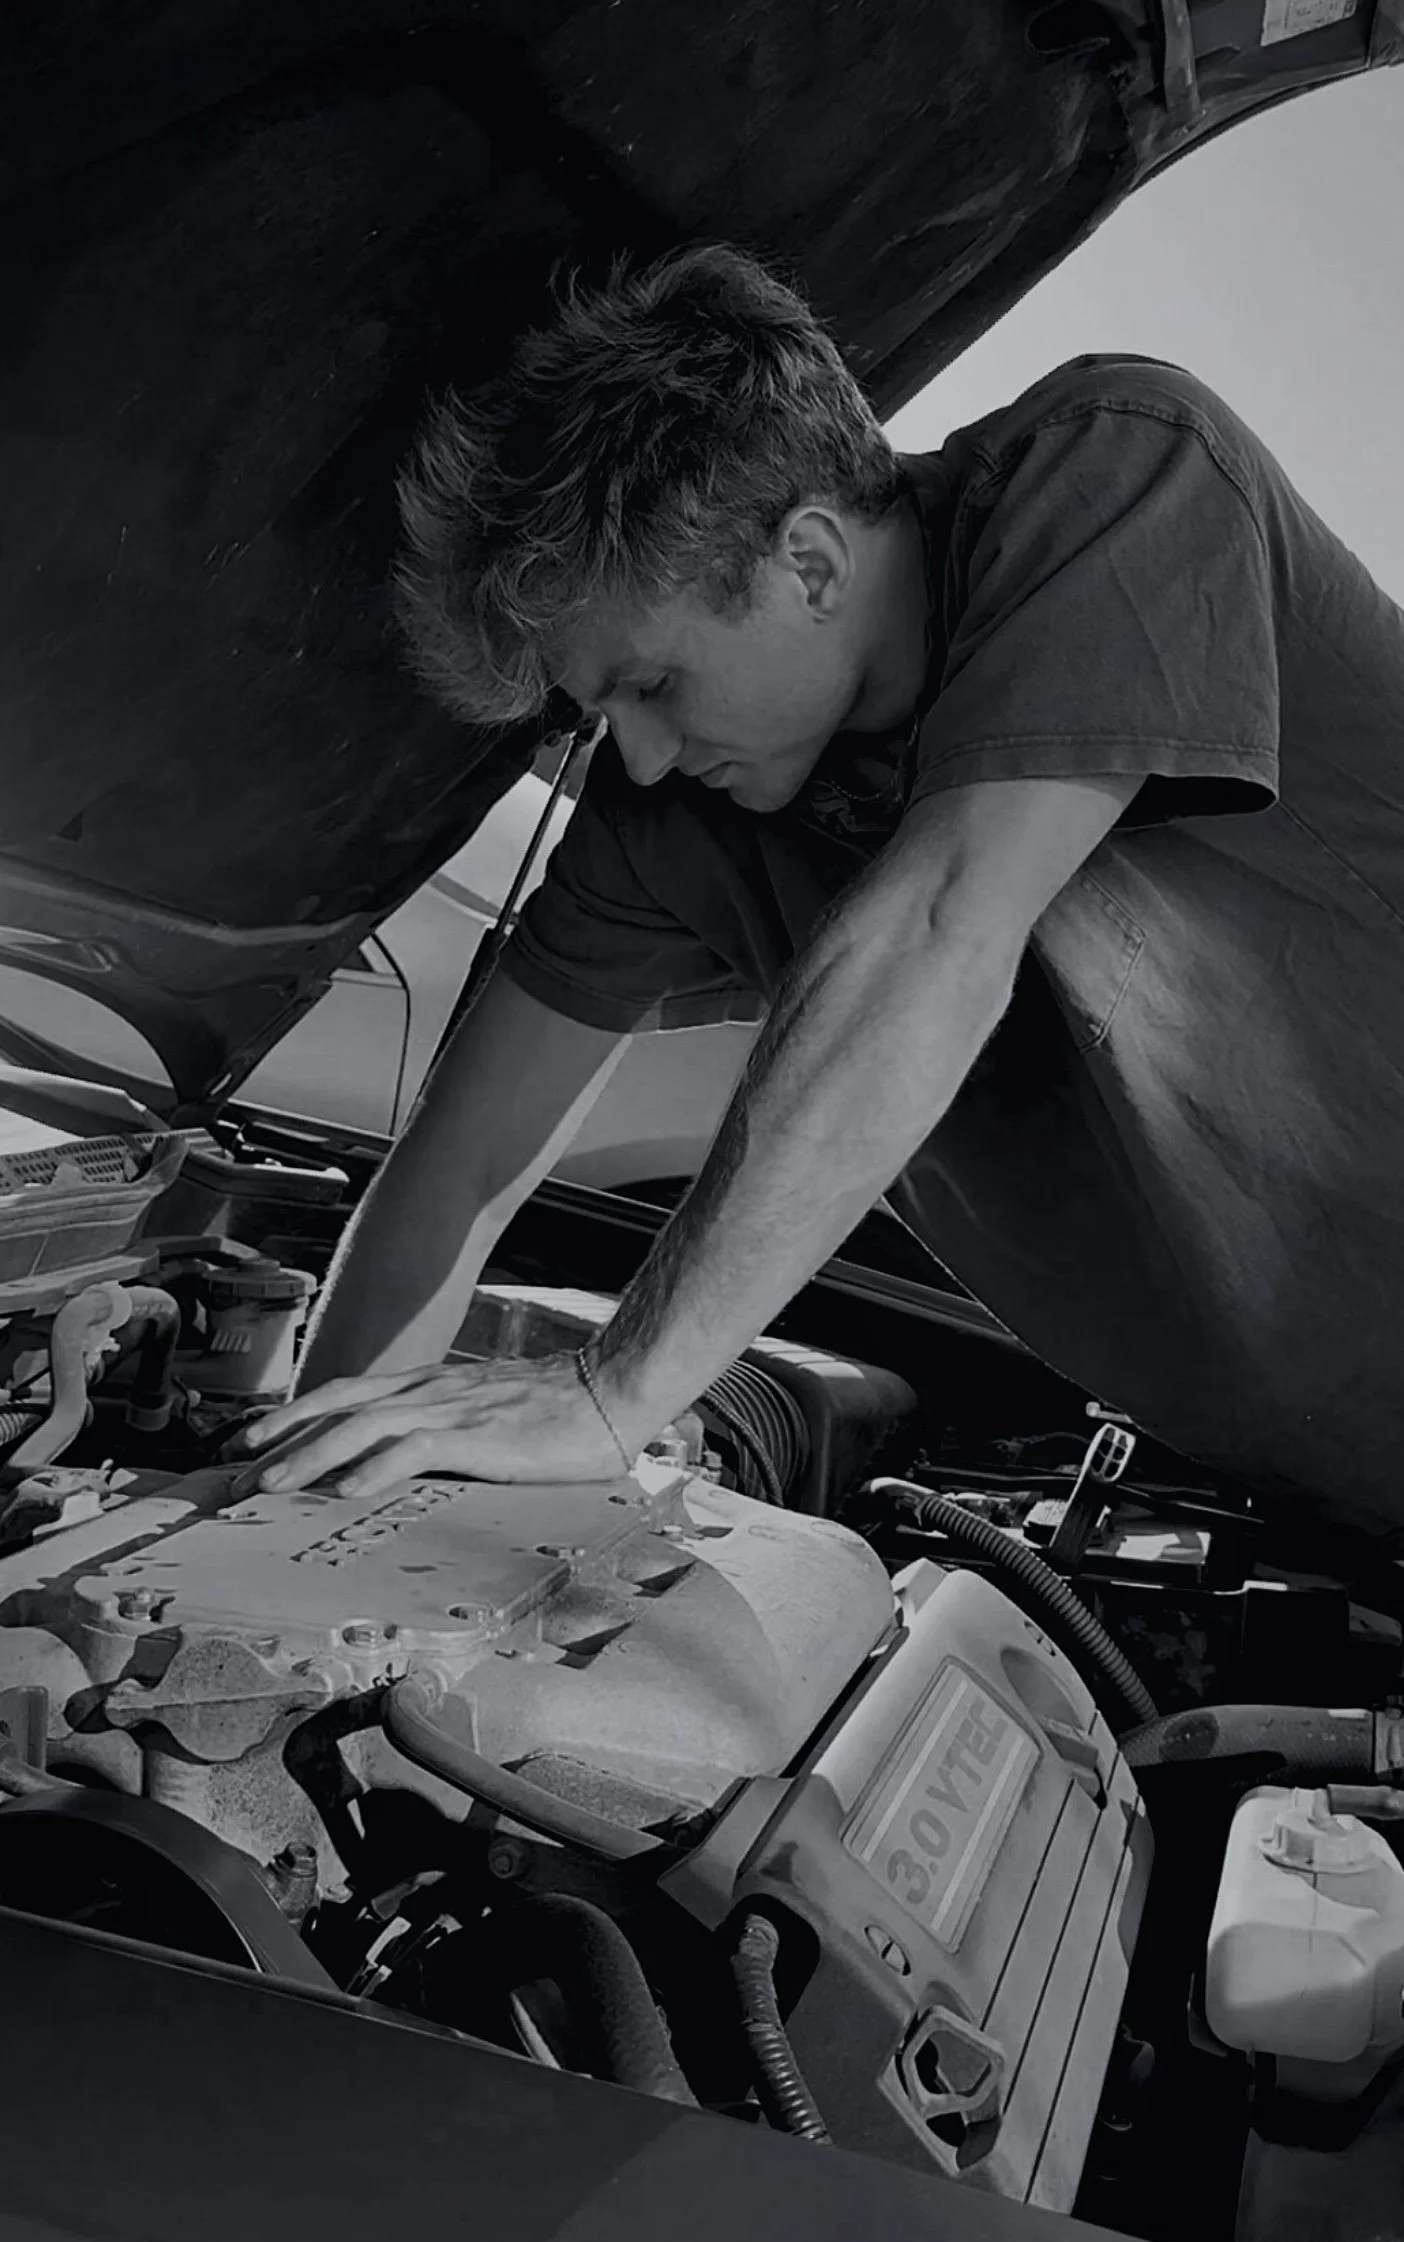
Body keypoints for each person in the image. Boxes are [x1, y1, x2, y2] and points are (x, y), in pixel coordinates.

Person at [241, 244, 1404, 1549]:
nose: (634, 754)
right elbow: (457, 1169)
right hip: (1322, 1506)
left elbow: (942, 922)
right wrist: (309, 1498)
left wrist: (610, 1390)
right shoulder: (677, 815)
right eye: (598, 710)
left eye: (651, 682)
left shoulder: (1120, 471)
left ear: (805, 562)